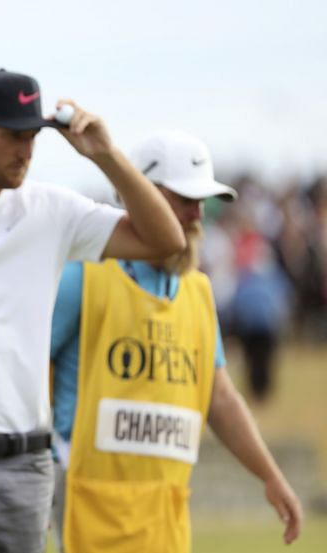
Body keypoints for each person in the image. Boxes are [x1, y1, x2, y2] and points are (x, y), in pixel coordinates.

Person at [0, 68, 186, 553]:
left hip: (26, 466)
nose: (26, 150)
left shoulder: (53, 211)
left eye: (33, 136)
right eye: (13, 136)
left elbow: (166, 241)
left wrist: (106, 155)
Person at [49, 130, 303, 553]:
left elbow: (219, 397)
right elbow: (29, 361)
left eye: (201, 202)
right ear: (139, 195)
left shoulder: (198, 292)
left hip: (166, 508)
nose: (197, 215)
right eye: (184, 200)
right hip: (88, 499)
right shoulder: (85, 276)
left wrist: (270, 476)